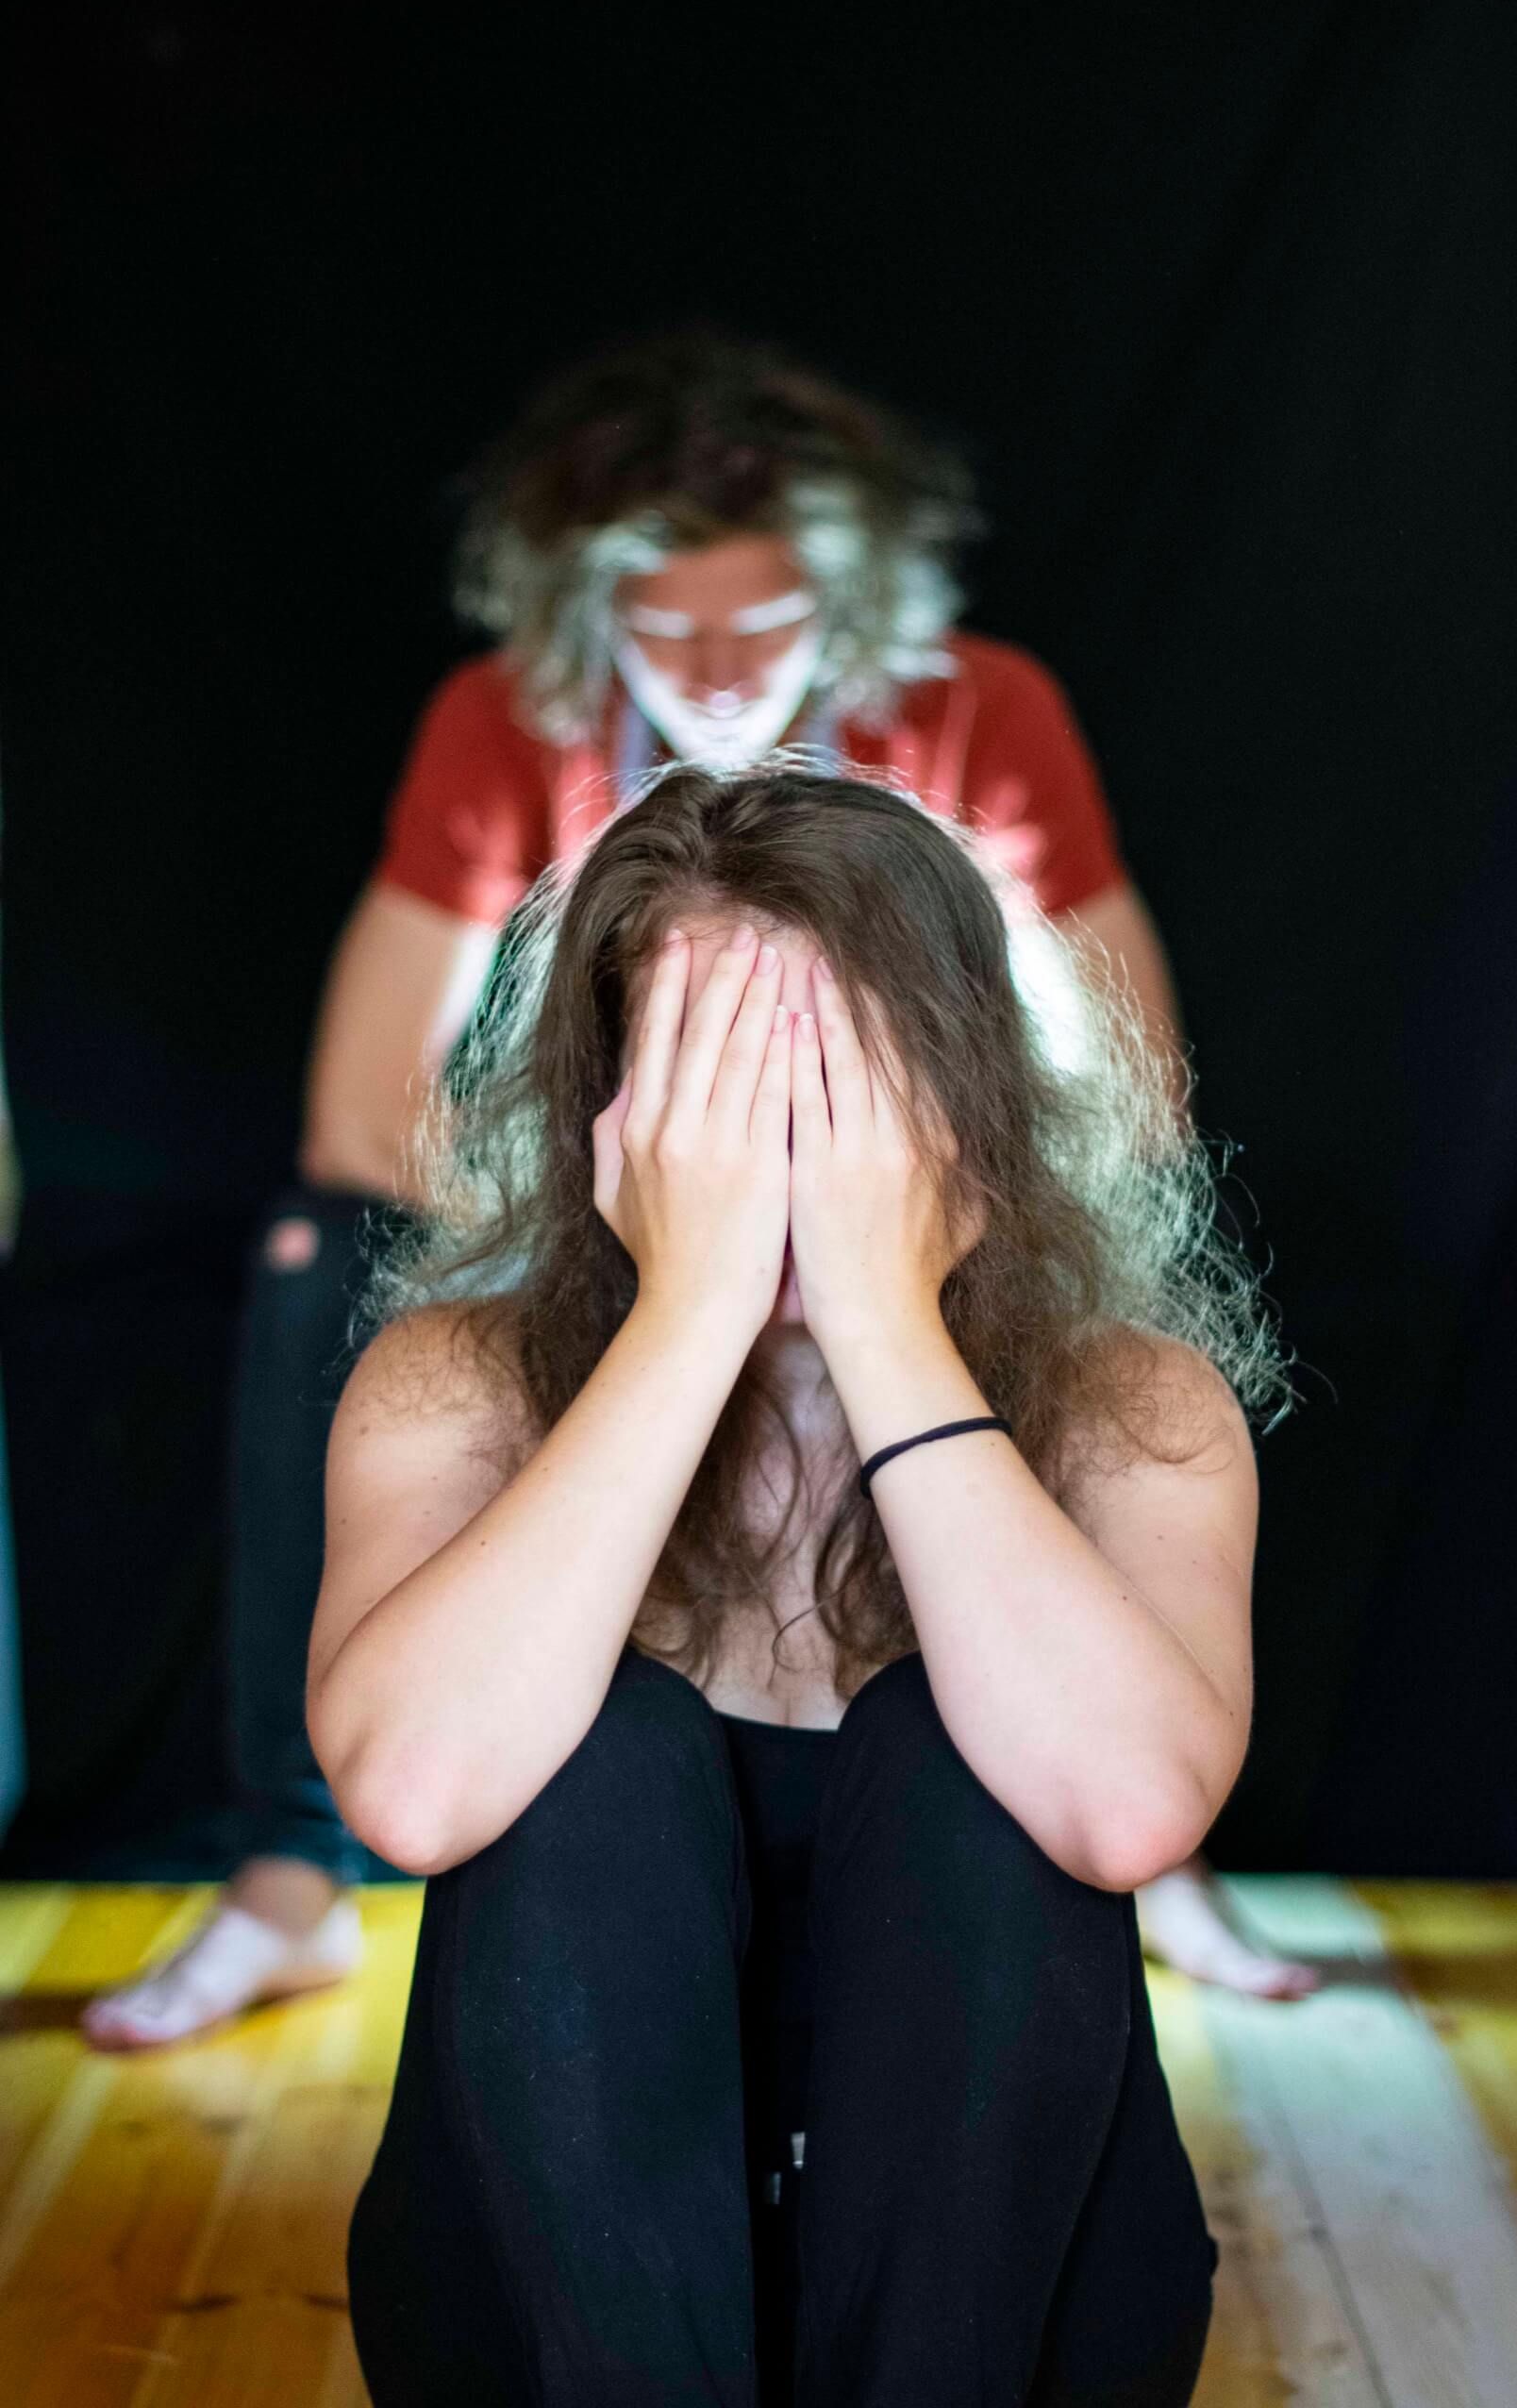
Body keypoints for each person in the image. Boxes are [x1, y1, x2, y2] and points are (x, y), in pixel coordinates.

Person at [82, 333, 1304, 2052]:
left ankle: (1135, 1779)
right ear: (586, 611)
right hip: (603, 1196)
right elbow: (362, 1113)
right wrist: (660, 1214)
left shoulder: (976, 706)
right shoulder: (512, 723)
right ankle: (289, 1866)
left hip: (948, 1197)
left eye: (765, 622)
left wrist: (896, 1200)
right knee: (316, 1252)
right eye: (665, 630)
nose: (717, 673)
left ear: (850, 598)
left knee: (1141, 1315)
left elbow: (1138, 1077)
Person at [317, 761, 1284, 2405]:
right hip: (555, 2318)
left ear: (961, 1092)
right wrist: (686, 1310)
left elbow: (1123, 1812)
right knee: (592, 1748)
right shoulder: (450, 1389)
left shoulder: (1137, 1410)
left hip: (1004, 2315)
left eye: (831, 1074)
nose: (772, 1133)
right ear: (611, 1111)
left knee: (964, 1748)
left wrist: (882, 1318)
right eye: (710, 1072)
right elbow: (412, 1797)